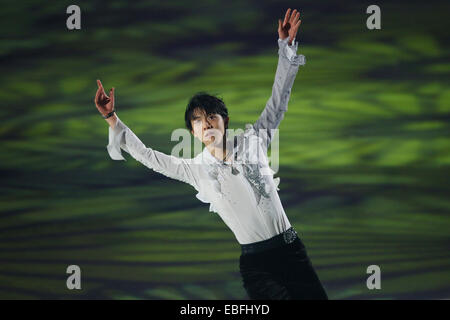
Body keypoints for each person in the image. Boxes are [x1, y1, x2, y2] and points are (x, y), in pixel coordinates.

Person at [94, 8, 328, 300]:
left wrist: (286, 47)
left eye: (211, 116)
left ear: (224, 121)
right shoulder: (195, 169)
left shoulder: (254, 140)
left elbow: (278, 99)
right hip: (256, 265)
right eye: (197, 120)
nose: (205, 123)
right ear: (192, 132)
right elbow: (148, 156)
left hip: (291, 251)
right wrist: (112, 118)